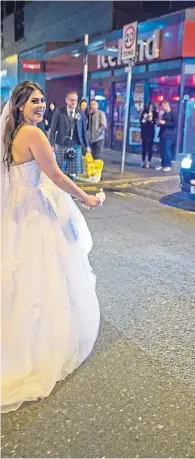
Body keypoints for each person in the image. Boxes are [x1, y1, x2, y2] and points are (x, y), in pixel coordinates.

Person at [1, 81, 101, 413]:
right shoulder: (33, 134)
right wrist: (85, 196)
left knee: (16, 282)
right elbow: (55, 176)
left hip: (14, 212)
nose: (41, 105)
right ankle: (38, 347)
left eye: (43, 100)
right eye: (33, 101)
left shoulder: (10, 135)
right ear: (19, 106)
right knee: (42, 279)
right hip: (32, 213)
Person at [49, 90, 91, 181]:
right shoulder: (59, 112)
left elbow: (84, 130)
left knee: (73, 172)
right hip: (62, 144)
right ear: (66, 100)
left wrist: (87, 145)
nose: (74, 102)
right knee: (60, 171)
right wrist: (51, 144)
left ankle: (71, 193)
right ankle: (60, 192)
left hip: (75, 145)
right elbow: (52, 129)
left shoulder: (80, 113)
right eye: (72, 100)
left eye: (75, 100)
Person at [157, 101, 176, 172]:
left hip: (168, 135)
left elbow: (174, 124)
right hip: (162, 134)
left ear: (167, 106)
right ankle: (163, 164)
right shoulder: (164, 114)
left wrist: (165, 122)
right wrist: (159, 123)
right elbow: (162, 123)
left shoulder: (173, 113)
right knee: (162, 150)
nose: (162, 108)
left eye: (163, 107)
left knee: (167, 150)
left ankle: (168, 165)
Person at [140, 101, 157, 168]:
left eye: (152, 107)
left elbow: (155, 121)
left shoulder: (155, 113)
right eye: (150, 106)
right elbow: (141, 120)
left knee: (150, 147)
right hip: (144, 130)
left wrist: (152, 120)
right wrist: (144, 118)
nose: (150, 108)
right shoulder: (145, 111)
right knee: (144, 147)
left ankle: (149, 162)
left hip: (151, 131)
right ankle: (143, 161)